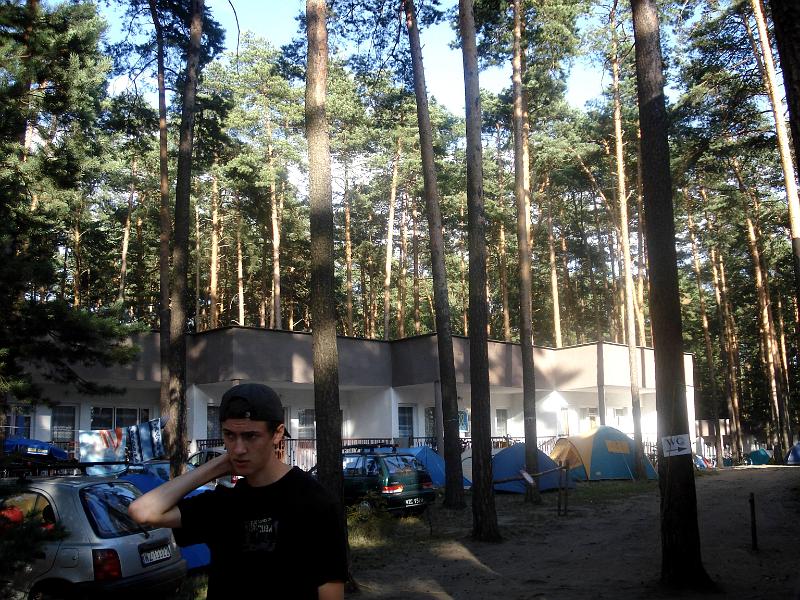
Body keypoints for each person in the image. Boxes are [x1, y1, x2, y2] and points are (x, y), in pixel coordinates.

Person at [128, 383, 347, 599]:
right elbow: (143, 511)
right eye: (230, 435)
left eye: (251, 436)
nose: (238, 449)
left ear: (277, 433)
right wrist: (217, 465)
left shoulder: (315, 502)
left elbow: (330, 590)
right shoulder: (223, 504)